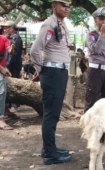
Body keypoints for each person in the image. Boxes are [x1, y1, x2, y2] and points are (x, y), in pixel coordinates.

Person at [30, 0, 72, 165]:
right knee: (51, 114)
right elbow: (35, 50)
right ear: (54, 6)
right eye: (63, 5)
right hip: (53, 73)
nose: (67, 8)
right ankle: (50, 154)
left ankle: (49, 148)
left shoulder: (60, 23)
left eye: (69, 6)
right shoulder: (49, 24)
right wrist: (42, 70)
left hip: (58, 72)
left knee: (53, 113)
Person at [84, 7, 105, 111]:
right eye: (101, 19)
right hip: (96, 71)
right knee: (92, 98)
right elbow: (96, 50)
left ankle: (104, 125)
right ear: (96, 20)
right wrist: (102, 34)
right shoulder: (92, 35)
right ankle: (88, 125)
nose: (104, 21)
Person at [2, 20, 23, 113]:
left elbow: (14, 55)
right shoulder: (8, 37)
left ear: (12, 28)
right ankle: (7, 107)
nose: (5, 30)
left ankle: (12, 106)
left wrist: (7, 66)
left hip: (13, 66)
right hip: (8, 65)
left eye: (6, 28)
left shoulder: (16, 38)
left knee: (11, 86)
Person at [0, 33, 14, 130]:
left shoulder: (3, 38)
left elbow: (10, 51)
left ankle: (1, 115)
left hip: (2, 66)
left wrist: (12, 48)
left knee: (2, 89)